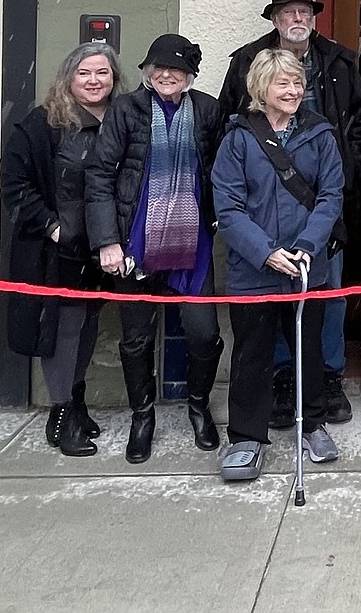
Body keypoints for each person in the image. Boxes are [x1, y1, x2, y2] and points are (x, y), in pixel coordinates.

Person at [218, 0, 361, 429]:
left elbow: (357, 121)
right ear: (275, 19)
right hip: (261, 221)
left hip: (321, 214)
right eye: (289, 12)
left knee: (327, 298)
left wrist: (347, 170)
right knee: (268, 317)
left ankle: (326, 382)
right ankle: (285, 384)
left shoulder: (340, 61)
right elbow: (227, 135)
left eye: (305, 11)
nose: (298, 19)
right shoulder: (247, 63)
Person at [85, 34, 224, 464]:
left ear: (190, 76)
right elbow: (99, 175)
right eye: (159, 67)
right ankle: (141, 417)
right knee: (136, 338)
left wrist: (221, 217)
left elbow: (220, 168)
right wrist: (107, 240)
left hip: (193, 242)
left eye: (177, 69)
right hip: (134, 242)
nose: (167, 74)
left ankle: (199, 408)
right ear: (147, 72)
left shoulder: (208, 109)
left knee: (205, 334)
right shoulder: (126, 109)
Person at [212, 49, 344, 480]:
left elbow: (331, 196)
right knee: (252, 354)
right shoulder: (238, 139)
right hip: (254, 269)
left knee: (309, 349)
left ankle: (314, 423)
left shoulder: (319, 134)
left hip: (307, 263)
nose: (292, 91)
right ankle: (247, 437)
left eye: (297, 83)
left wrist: (308, 245)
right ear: (261, 89)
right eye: (282, 83)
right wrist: (266, 252)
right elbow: (228, 209)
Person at [0, 43, 124, 457]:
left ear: (113, 78)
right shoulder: (42, 124)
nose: (94, 81)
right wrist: (52, 228)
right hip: (56, 250)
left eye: (102, 73)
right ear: (69, 77)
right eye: (85, 73)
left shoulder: (121, 121)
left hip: (101, 246)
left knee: (87, 326)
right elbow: (14, 184)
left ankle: (76, 399)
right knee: (62, 331)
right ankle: (61, 414)